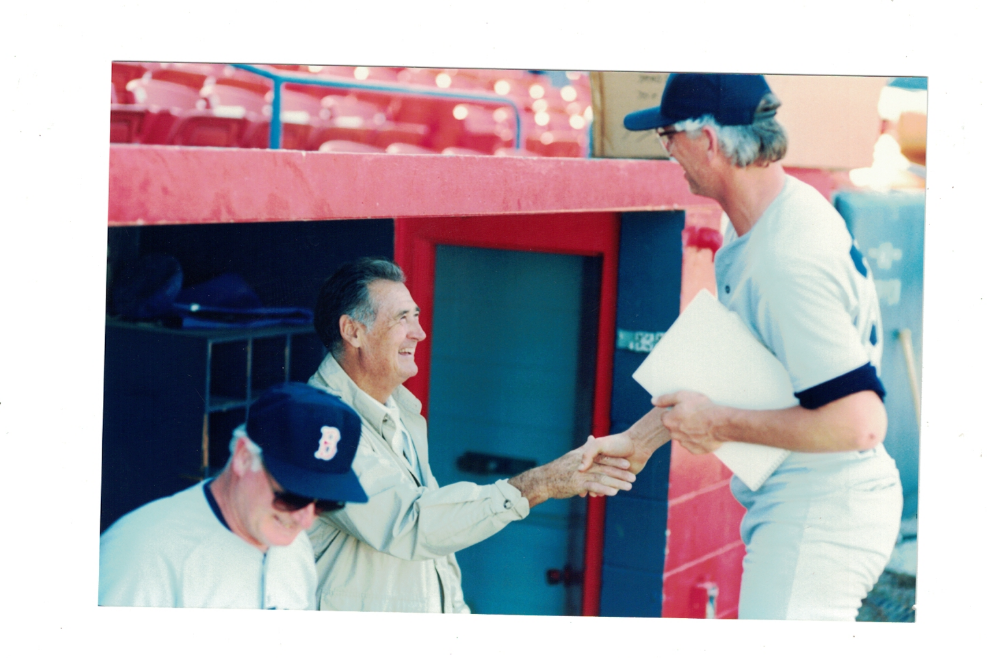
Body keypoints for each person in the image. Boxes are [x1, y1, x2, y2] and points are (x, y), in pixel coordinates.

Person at [581, 73, 903, 621]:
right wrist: (640, 441)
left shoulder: (784, 258)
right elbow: (746, 372)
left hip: (822, 510)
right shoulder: (769, 214)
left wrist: (719, 424)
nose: (666, 153)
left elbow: (859, 422)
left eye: (668, 137)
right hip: (813, 497)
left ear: (707, 141)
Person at [306, 257, 635, 612]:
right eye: (402, 318)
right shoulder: (321, 425)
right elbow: (412, 525)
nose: (419, 332)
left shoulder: (400, 412)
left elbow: (435, 555)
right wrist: (541, 484)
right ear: (353, 331)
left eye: (416, 316)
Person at [99, 382, 368, 609]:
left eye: (324, 502)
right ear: (242, 457)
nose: (306, 520)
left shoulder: (295, 547)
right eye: (293, 496)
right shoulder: (144, 556)